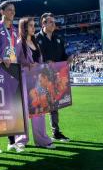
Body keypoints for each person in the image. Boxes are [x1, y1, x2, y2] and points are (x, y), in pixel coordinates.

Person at [0, 0, 24, 153]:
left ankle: (11, 141)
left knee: (11, 106)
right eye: (9, 10)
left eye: (13, 10)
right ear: (1, 12)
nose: (12, 13)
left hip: (12, 71)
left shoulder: (15, 30)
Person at [16, 17, 55, 149]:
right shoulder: (19, 43)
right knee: (24, 111)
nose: (34, 28)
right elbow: (14, 61)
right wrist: (27, 64)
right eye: (31, 25)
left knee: (39, 109)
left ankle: (42, 140)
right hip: (24, 80)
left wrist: (44, 65)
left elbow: (39, 60)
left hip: (38, 81)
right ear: (24, 27)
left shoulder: (35, 43)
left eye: (34, 25)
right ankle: (21, 141)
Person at [35, 13, 72, 142]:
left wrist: (68, 59)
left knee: (54, 106)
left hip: (55, 76)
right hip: (40, 77)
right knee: (39, 106)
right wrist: (44, 62)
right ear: (43, 23)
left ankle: (55, 132)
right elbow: (33, 58)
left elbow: (63, 55)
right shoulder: (36, 38)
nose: (53, 24)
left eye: (54, 22)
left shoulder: (59, 38)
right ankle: (39, 135)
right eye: (50, 22)